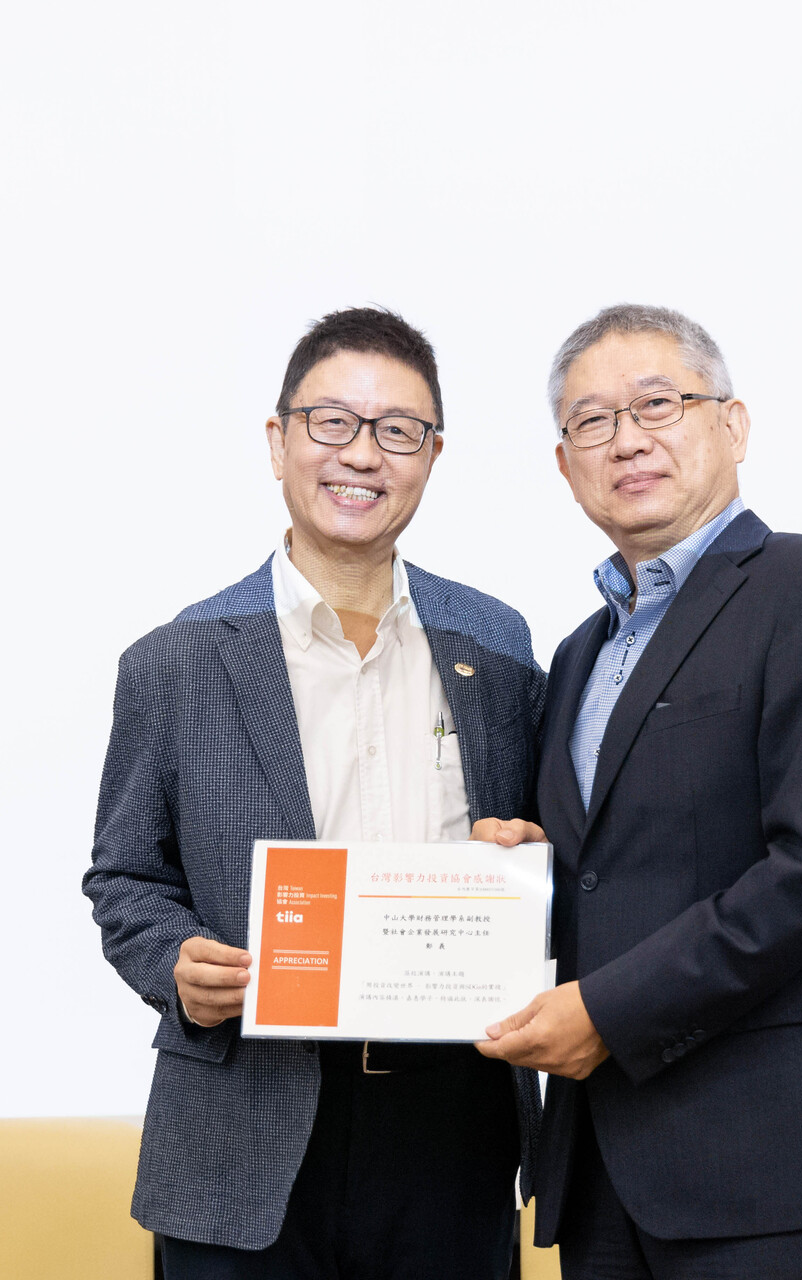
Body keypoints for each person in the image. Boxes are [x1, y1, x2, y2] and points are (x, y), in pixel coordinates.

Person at [473, 304, 802, 1278]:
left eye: (658, 402)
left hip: (779, 1165)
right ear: (566, 467)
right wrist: (520, 875)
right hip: (607, 1172)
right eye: (592, 421)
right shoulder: (576, 655)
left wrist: (607, 1009)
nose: (629, 438)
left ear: (731, 425)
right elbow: (620, 873)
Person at [84, 308, 544, 1279]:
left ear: (433, 453)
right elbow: (125, 876)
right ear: (279, 439)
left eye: (398, 430)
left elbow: (542, 851)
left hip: (451, 1120)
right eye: (332, 421)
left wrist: (525, 855)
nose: (362, 455)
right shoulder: (179, 660)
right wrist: (177, 963)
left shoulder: (498, 649)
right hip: (244, 1121)